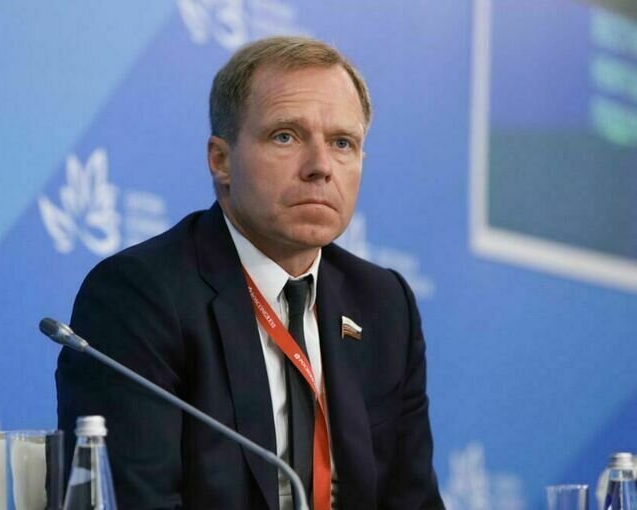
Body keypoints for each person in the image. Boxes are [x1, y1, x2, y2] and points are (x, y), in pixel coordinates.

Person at [56, 36, 444, 510]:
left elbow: (413, 500)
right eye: (286, 136)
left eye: (343, 143)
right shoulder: (141, 296)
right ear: (221, 160)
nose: (320, 167)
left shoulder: (384, 304)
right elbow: (136, 500)